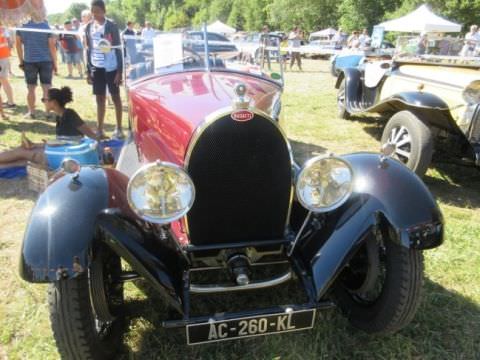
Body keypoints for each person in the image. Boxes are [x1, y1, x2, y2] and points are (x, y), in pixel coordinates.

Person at [0, 87, 96, 169]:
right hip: (61, 153)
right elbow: (63, 141)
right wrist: (35, 145)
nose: (43, 102)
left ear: (53, 102)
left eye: (44, 100)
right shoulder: (60, 115)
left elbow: (89, 135)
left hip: (65, 155)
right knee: (24, 161)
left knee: (20, 151)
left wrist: (101, 139)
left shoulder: (69, 114)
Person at [84, 0, 124, 139]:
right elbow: (88, 48)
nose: (95, 14)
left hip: (111, 67)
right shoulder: (88, 27)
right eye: (93, 11)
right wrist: (88, 70)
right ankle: (99, 129)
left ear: (104, 11)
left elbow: (119, 49)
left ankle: (119, 128)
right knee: (99, 98)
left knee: (115, 97)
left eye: (98, 11)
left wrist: (120, 71)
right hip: (96, 66)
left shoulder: (111, 26)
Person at [16, 17, 57, 119]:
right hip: (46, 61)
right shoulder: (45, 25)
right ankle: (47, 113)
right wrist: (55, 62)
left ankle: (32, 112)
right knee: (47, 88)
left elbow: (17, 45)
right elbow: (51, 45)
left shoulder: (22, 25)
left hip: (29, 61)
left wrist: (21, 61)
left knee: (30, 88)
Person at [0, 23, 15, 109]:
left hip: (1, 57)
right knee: (3, 80)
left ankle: (11, 102)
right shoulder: (2, 27)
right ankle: (10, 101)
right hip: (3, 56)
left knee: (4, 80)